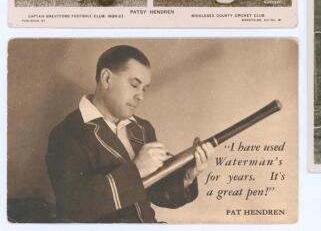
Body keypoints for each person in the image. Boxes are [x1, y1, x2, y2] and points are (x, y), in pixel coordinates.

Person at [46, 45, 214, 222]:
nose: (140, 96)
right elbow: (74, 207)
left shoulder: (142, 128)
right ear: (106, 78)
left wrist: (187, 176)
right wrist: (137, 170)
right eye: (134, 85)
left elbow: (157, 193)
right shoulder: (67, 133)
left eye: (144, 89)